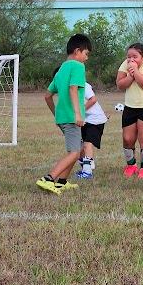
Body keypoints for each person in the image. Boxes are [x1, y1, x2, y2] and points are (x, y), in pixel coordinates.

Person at [36, 33, 91, 196]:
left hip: (62, 118)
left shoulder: (61, 70)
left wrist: (57, 114)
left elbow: (47, 96)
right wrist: (77, 114)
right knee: (74, 152)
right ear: (77, 51)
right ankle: (48, 178)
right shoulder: (78, 66)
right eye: (86, 54)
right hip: (72, 117)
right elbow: (73, 89)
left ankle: (61, 182)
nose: (86, 58)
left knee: (77, 149)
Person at [115, 43, 143, 179]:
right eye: (129, 57)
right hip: (130, 106)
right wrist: (131, 75)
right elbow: (120, 84)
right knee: (127, 139)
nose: (131, 59)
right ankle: (131, 165)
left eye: (135, 56)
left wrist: (135, 71)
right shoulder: (125, 64)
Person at [75, 82, 108, 179]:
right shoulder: (67, 89)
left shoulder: (83, 85)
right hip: (84, 120)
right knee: (79, 148)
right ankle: (88, 164)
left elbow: (93, 99)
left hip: (95, 120)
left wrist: (80, 111)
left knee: (87, 144)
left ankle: (87, 172)